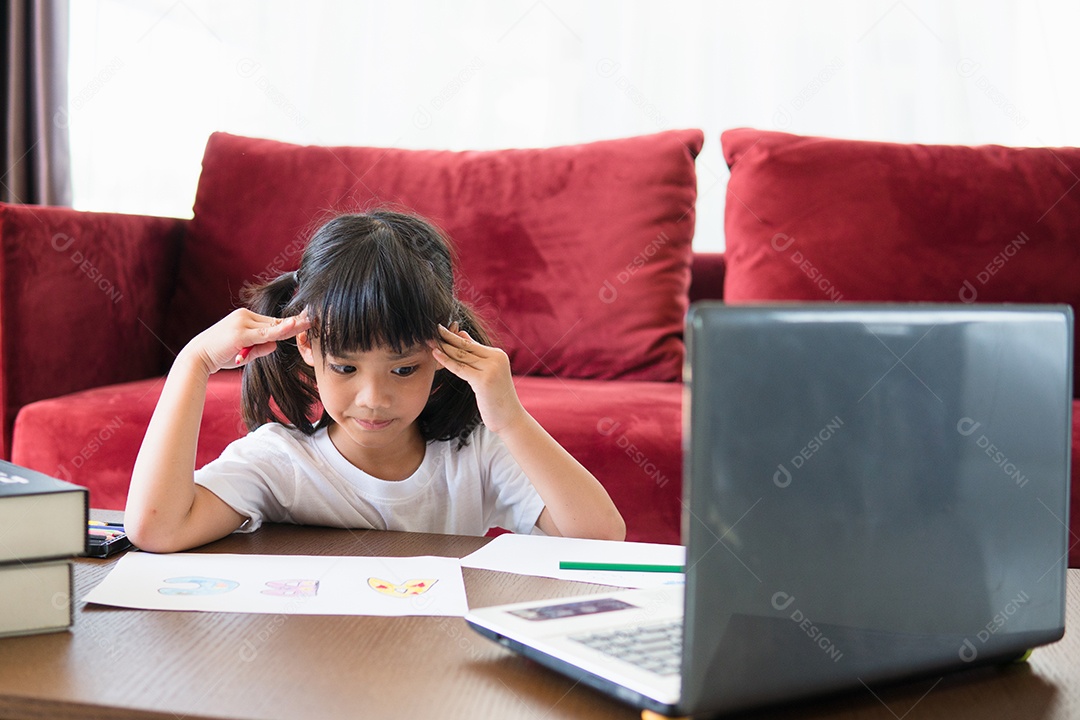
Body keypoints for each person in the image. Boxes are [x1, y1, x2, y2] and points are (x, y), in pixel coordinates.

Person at [125, 210, 626, 553]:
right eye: (345, 368)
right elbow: (156, 528)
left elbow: (601, 540)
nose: (373, 399)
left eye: (403, 369)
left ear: (444, 355)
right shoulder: (281, 461)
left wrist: (510, 419)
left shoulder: (475, 456)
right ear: (307, 348)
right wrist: (192, 363)